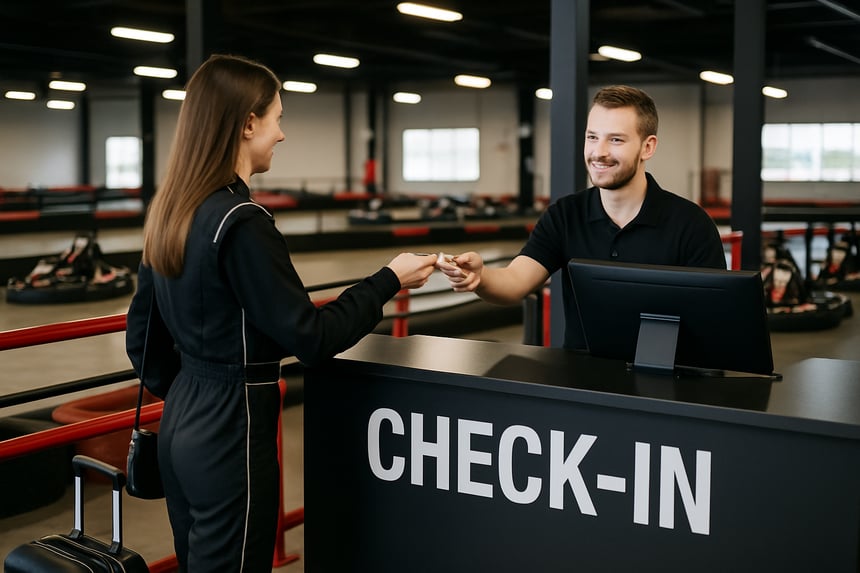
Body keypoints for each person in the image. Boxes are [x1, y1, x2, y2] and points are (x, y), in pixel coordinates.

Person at [125, 54, 436, 572]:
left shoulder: (172, 211)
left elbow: (143, 337)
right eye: (278, 119)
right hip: (231, 427)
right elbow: (310, 336)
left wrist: (192, 391)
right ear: (248, 123)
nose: (282, 134)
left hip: (180, 424)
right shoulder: (242, 221)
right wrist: (389, 280)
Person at [436, 85, 725, 349]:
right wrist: (480, 277)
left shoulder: (691, 225)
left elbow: (714, 324)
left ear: (647, 147)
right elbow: (515, 281)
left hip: (666, 388)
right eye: (592, 137)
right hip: (580, 385)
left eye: (615, 140)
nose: (599, 152)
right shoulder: (565, 215)